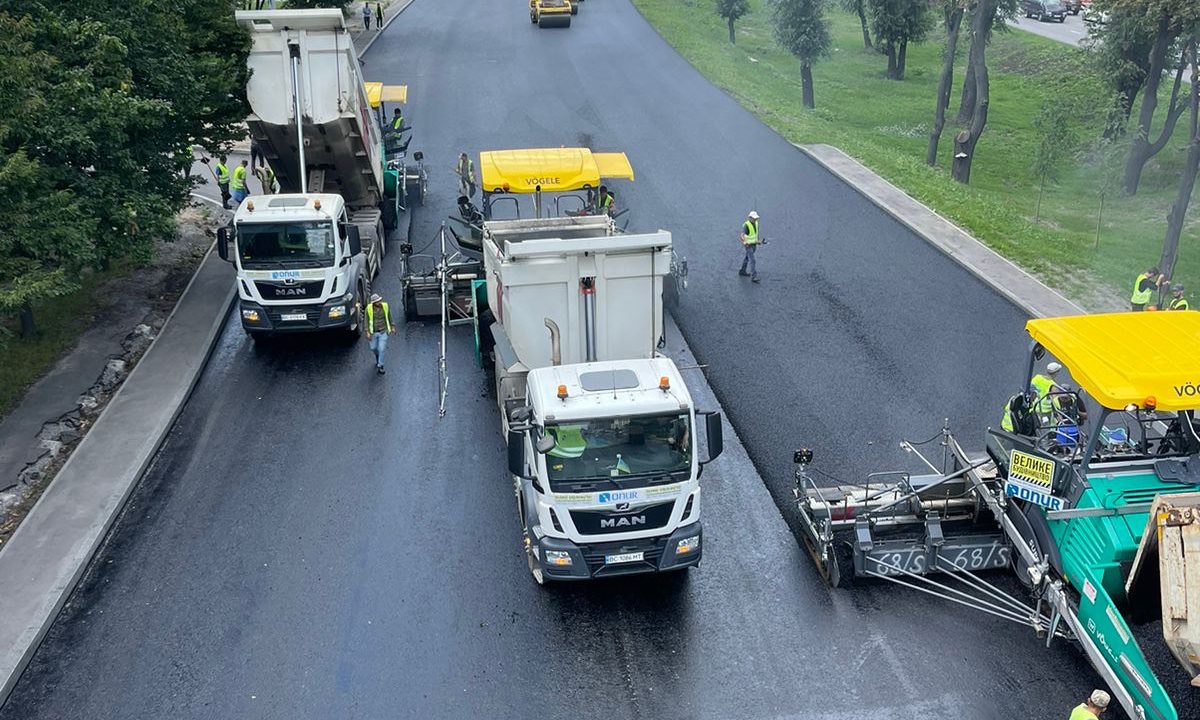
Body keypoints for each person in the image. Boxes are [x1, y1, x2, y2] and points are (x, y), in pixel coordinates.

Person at [365, 293, 395, 374]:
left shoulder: (385, 306)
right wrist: (367, 331)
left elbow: (389, 316)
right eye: (377, 301)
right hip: (373, 332)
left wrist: (392, 326)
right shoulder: (368, 309)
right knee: (373, 348)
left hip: (383, 331)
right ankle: (377, 356)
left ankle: (380, 365)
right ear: (374, 303)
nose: (379, 302)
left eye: (379, 300)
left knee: (381, 349)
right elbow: (366, 321)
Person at [738, 210, 761, 283]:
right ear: (750, 218)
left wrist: (757, 241)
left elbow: (755, 234)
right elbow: (742, 235)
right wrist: (745, 242)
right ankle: (754, 276)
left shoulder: (756, 223)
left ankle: (742, 270)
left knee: (747, 258)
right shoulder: (746, 225)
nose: (755, 219)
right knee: (752, 260)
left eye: (756, 218)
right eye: (754, 218)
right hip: (748, 245)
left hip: (754, 244)